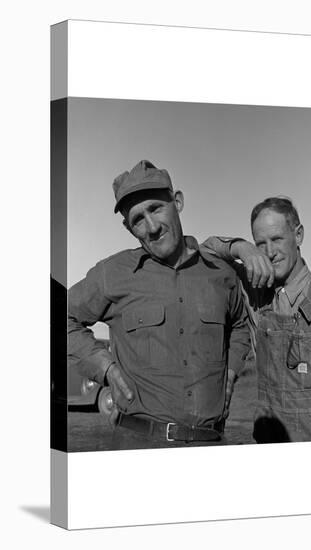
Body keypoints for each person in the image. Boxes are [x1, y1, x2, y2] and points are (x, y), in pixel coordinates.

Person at [68, 160, 252, 449]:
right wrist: (106, 370)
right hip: (137, 443)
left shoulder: (221, 274)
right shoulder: (112, 274)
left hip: (212, 444)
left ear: (177, 201)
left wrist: (230, 373)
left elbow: (240, 325)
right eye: (138, 219)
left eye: (155, 208)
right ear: (128, 228)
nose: (151, 227)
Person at [202, 197, 311, 442]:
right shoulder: (255, 295)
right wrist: (242, 248)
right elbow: (206, 251)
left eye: (276, 239)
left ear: (299, 235)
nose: (269, 252)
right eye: (260, 244)